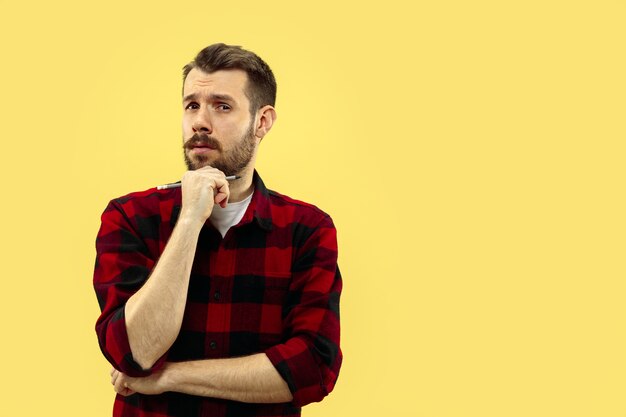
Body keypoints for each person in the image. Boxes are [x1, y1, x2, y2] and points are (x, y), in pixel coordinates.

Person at [93, 43, 342, 417]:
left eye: (221, 106)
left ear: (262, 121)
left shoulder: (305, 229)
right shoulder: (130, 217)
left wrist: (169, 377)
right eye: (192, 105)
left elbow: (312, 369)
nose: (199, 122)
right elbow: (135, 352)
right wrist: (191, 219)